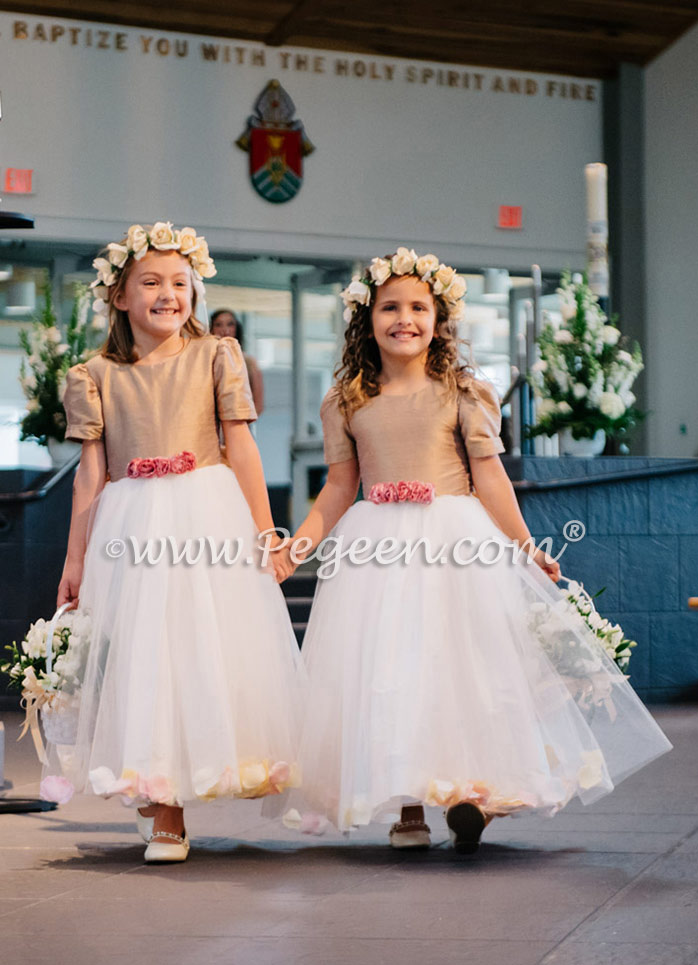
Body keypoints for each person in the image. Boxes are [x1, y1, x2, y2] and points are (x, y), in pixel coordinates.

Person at [279, 247, 671, 853]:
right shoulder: (348, 399)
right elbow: (336, 488)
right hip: (376, 545)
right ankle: (407, 806)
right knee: (391, 672)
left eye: (417, 306)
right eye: (389, 307)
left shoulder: (462, 391)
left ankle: (475, 793)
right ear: (367, 318)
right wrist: (294, 548)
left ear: (439, 320)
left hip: (456, 540)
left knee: (466, 668)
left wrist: (524, 547)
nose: (403, 318)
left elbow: (489, 477)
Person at [49, 223, 301, 863]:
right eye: (151, 283)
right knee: (143, 653)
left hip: (205, 513)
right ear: (120, 297)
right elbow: (90, 473)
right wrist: (75, 559)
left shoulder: (217, 355)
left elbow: (241, 444)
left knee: (202, 649)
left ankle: (184, 785)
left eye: (180, 283)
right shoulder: (95, 373)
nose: (168, 294)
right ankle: (162, 799)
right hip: (131, 523)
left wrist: (265, 530)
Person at [210, 309, 265, 415]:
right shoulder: (205, 361)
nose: (225, 330)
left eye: (230, 324)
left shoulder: (249, 362)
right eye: (218, 325)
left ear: (237, 328)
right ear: (211, 329)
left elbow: (258, 405)